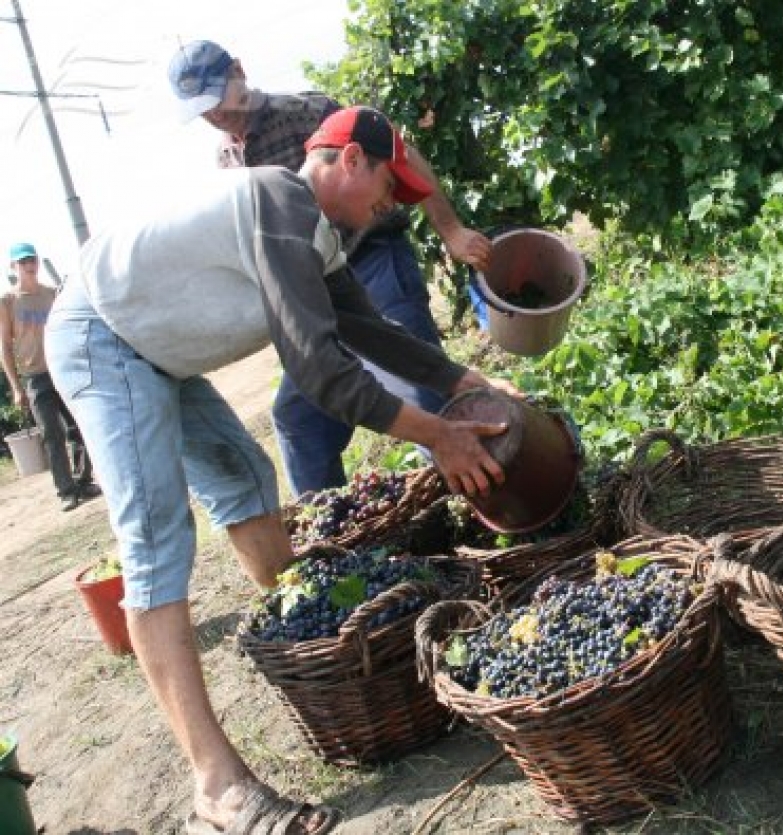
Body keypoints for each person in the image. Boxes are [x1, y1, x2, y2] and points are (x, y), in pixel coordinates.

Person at [46, 105, 517, 835]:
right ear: (349, 161)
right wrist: (437, 436)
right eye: (390, 186)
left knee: (243, 475)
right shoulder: (276, 198)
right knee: (157, 537)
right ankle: (217, 785)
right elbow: (323, 371)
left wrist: (464, 386)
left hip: (157, 350)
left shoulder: (319, 238)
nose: (391, 205)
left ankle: (315, 647)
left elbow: (369, 334)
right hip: (103, 336)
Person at [168, 39, 493, 496]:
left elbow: (395, 153)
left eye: (216, 98)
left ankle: (483, 493)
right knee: (299, 420)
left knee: (422, 389)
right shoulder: (226, 161)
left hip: (372, 262)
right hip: (313, 289)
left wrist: (452, 229)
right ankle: (332, 536)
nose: (214, 114)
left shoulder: (306, 111)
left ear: (239, 71)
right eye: (200, 109)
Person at [0, 243, 100, 511]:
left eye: (31, 260)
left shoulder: (52, 294)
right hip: (35, 376)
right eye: (22, 262)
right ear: (14, 267)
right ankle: (66, 491)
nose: (29, 265)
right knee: (51, 433)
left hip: (63, 369)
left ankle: (84, 481)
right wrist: (16, 386)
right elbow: (5, 347)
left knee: (78, 426)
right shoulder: (8, 301)